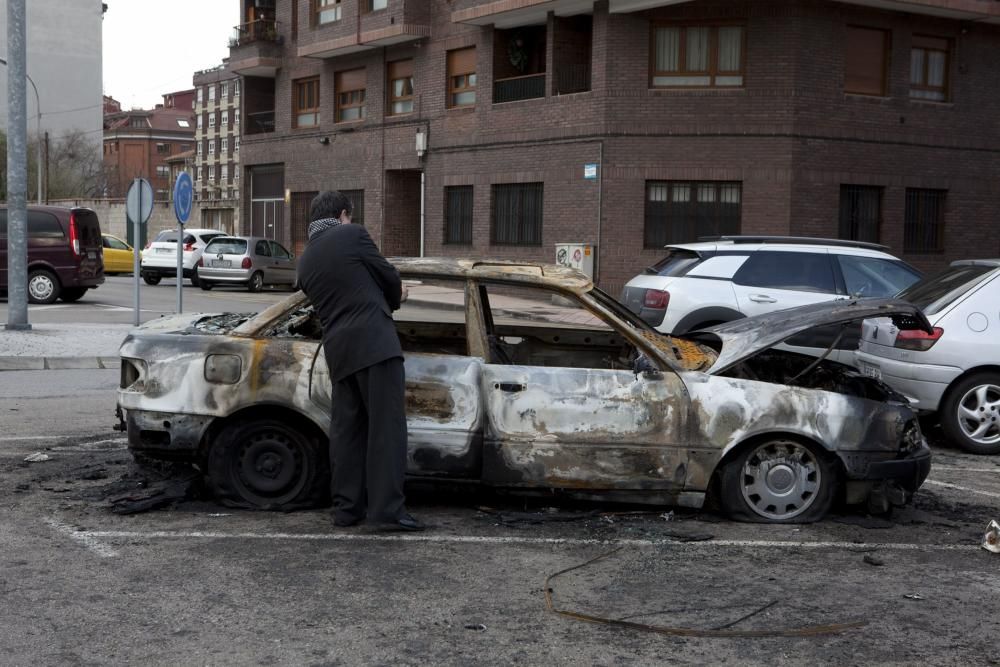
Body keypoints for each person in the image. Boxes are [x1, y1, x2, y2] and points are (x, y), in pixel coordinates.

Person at [297, 190, 424, 531]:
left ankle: (347, 509)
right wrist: (399, 296)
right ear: (343, 214)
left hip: (339, 351)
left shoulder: (305, 260)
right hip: (375, 344)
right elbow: (387, 277)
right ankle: (387, 512)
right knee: (386, 429)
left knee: (347, 433)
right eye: (349, 216)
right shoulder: (351, 234)